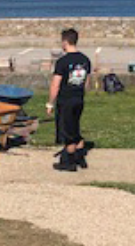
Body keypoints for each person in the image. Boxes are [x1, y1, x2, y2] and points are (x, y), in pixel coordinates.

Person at [47, 28, 91, 172]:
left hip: (65, 100)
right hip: (78, 98)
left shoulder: (62, 62)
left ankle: (69, 162)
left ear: (65, 42)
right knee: (75, 127)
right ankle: (80, 157)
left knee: (67, 131)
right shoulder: (85, 60)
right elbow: (87, 83)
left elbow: (55, 84)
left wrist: (50, 103)